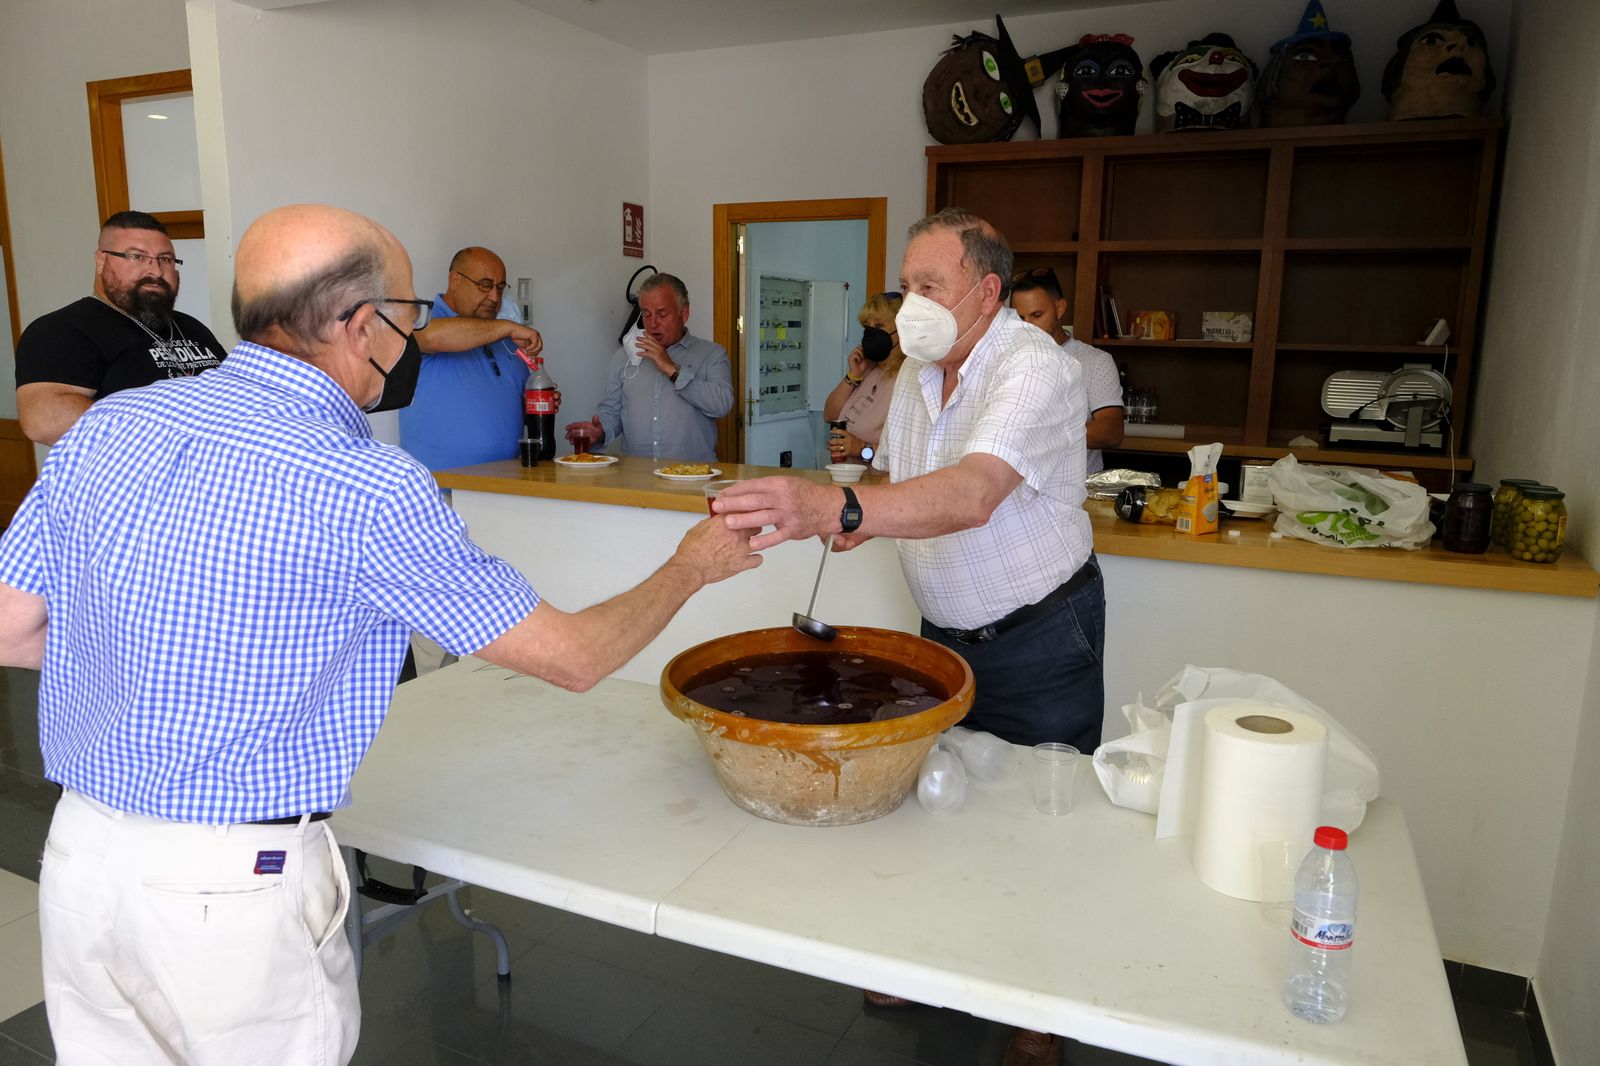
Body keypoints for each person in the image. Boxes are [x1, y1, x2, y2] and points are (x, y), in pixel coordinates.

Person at [0, 204, 760, 1066]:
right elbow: (575, 657)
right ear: (363, 327)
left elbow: (12, 626)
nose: (414, 337)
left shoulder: (108, 426)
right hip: (228, 894)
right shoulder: (364, 485)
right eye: (412, 318)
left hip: (80, 857)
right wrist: (695, 564)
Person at [716, 207, 1104, 1065]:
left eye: (929, 287)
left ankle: (1038, 1003)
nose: (908, 306)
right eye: (907, 286)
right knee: (942, 801)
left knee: (1044, 815)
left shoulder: (1034, 368)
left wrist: (844, 505)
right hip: (946, 627)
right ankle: (934, 967)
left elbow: (971, 492)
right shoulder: (923, 372)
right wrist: (864, 513)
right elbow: (898, 476)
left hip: (1040, 627)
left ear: (987, 291)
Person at [14, 210, 227, 445]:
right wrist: (174, 435)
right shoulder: (61, 330)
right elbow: (43, 421)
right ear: (101, 260)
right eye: (137, 257)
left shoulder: (193, 328)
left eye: (165, 259)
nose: (155, 271)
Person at [398, 245, 545, 472]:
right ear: (455, 280)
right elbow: (428, 337)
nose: (494, 297)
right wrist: (506, 327)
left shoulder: (505, 339)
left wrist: (540, 402)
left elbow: (517, 410)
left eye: (500, 287)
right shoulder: (423, 322)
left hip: (507, 490)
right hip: (441, 494)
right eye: (485, 285)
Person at [564, 273, 732, 462]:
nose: (653, 323)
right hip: (638, 479)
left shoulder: (712, 354)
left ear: (684, 313)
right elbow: (612, 412)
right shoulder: (624, 357)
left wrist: (671, 368)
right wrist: (600, 431)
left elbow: (722, 404)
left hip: (692, 477)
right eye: (646, 314)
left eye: (662, 314)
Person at [1009, 266, 1124, 475]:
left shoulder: (1093, 362)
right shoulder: (1005, 360)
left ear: (1060, 308)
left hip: (1078, 491)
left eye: (1037, 315)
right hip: (1015, 490)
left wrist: (1040, 434)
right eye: (1020, 318)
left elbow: (1111, 432)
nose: (1028, 327)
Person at [821, 291, 905, 464]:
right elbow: (830, 415)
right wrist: (853, 376)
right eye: (867, 327)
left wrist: (862, 449)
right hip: (850, 480)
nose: (871, 333)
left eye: (879, 326)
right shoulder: (869, 369)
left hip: (879, 485)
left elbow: (904, 454)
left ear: (902, 329)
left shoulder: (908, 378)